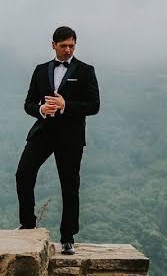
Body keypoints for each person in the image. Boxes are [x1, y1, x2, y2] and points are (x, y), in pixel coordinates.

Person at [16, 26, 100, 254]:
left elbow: (94, 106)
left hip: (70, 137)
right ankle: (28, 225)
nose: (68, 50)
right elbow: (28, 103)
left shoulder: (86, 71)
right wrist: (41, 108)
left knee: (70, 187)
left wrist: (66, 106)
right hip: (42, 132)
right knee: (23, 173)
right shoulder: (40, 70)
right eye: (63, 45)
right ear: (53, 44)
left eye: (72, 45)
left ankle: (68, 237)